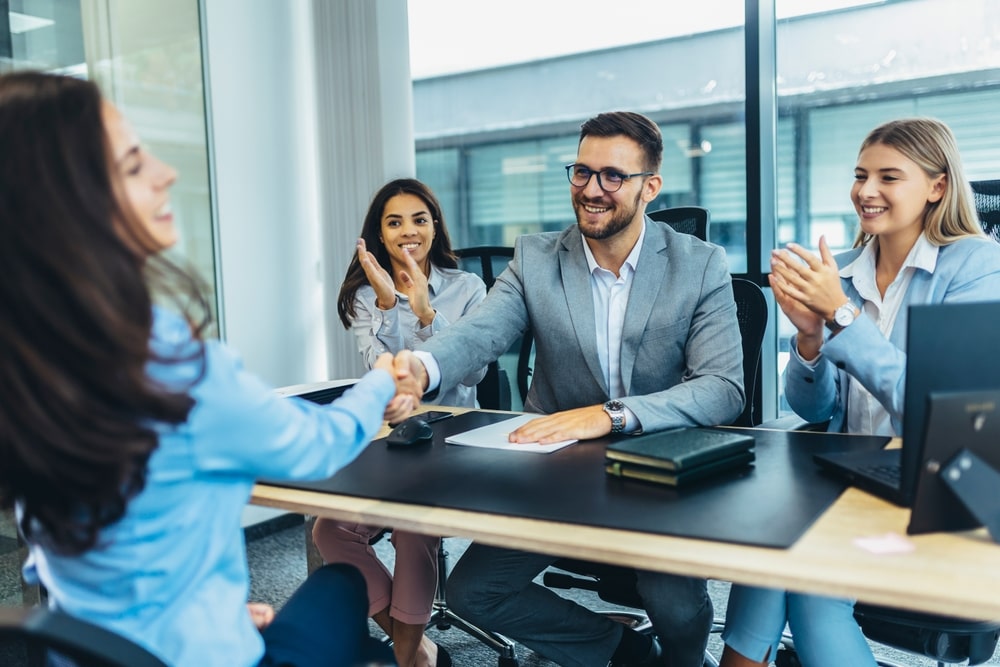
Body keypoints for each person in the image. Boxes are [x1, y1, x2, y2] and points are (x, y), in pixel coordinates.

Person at [0, 70, 423, 667]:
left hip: (96, 652)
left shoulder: (28, 360)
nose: (165, 172)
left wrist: (207, 611)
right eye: (131, 165)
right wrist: (379, 381)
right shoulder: (166, 360)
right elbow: (318, 447)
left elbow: (75, 550)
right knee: (342, 588)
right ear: (68, 205)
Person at [395, 110, 745, 667]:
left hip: (658, 468)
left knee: (674, 604)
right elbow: (479, 333)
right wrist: (420, 367)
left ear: (650, 187)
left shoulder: (700, 264)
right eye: (581, 172)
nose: (592, 190)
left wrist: (611, 415)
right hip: (558, 470)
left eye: (613, 176)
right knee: (474, 591)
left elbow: (723, 387)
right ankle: (624, 651)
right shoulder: (535, 258)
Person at [720, 117, 1000, 667]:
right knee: (768, 550)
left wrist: (842, 317)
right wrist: (807, 338)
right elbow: (816, 408)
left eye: (888, 177)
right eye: (859, 175)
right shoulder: (843, 273)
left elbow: (939, 412)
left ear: (937, 187)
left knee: (807, 579)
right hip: (857, 484)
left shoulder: (978, 269)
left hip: (952, 490)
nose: (866, 192)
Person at [312, 178, 487, 667]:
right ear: (381, 235)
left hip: (454, 440)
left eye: (419, 219)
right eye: (394, 222)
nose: (408, 231)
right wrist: (389, 308)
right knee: (329, 530)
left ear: (435, 227)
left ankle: (408, 658)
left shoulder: (468, 287)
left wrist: (427, 313)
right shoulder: (367, 295)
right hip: (393, 441)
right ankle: (419, 652)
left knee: (412, 528)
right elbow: (382, 378)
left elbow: (474, 370)